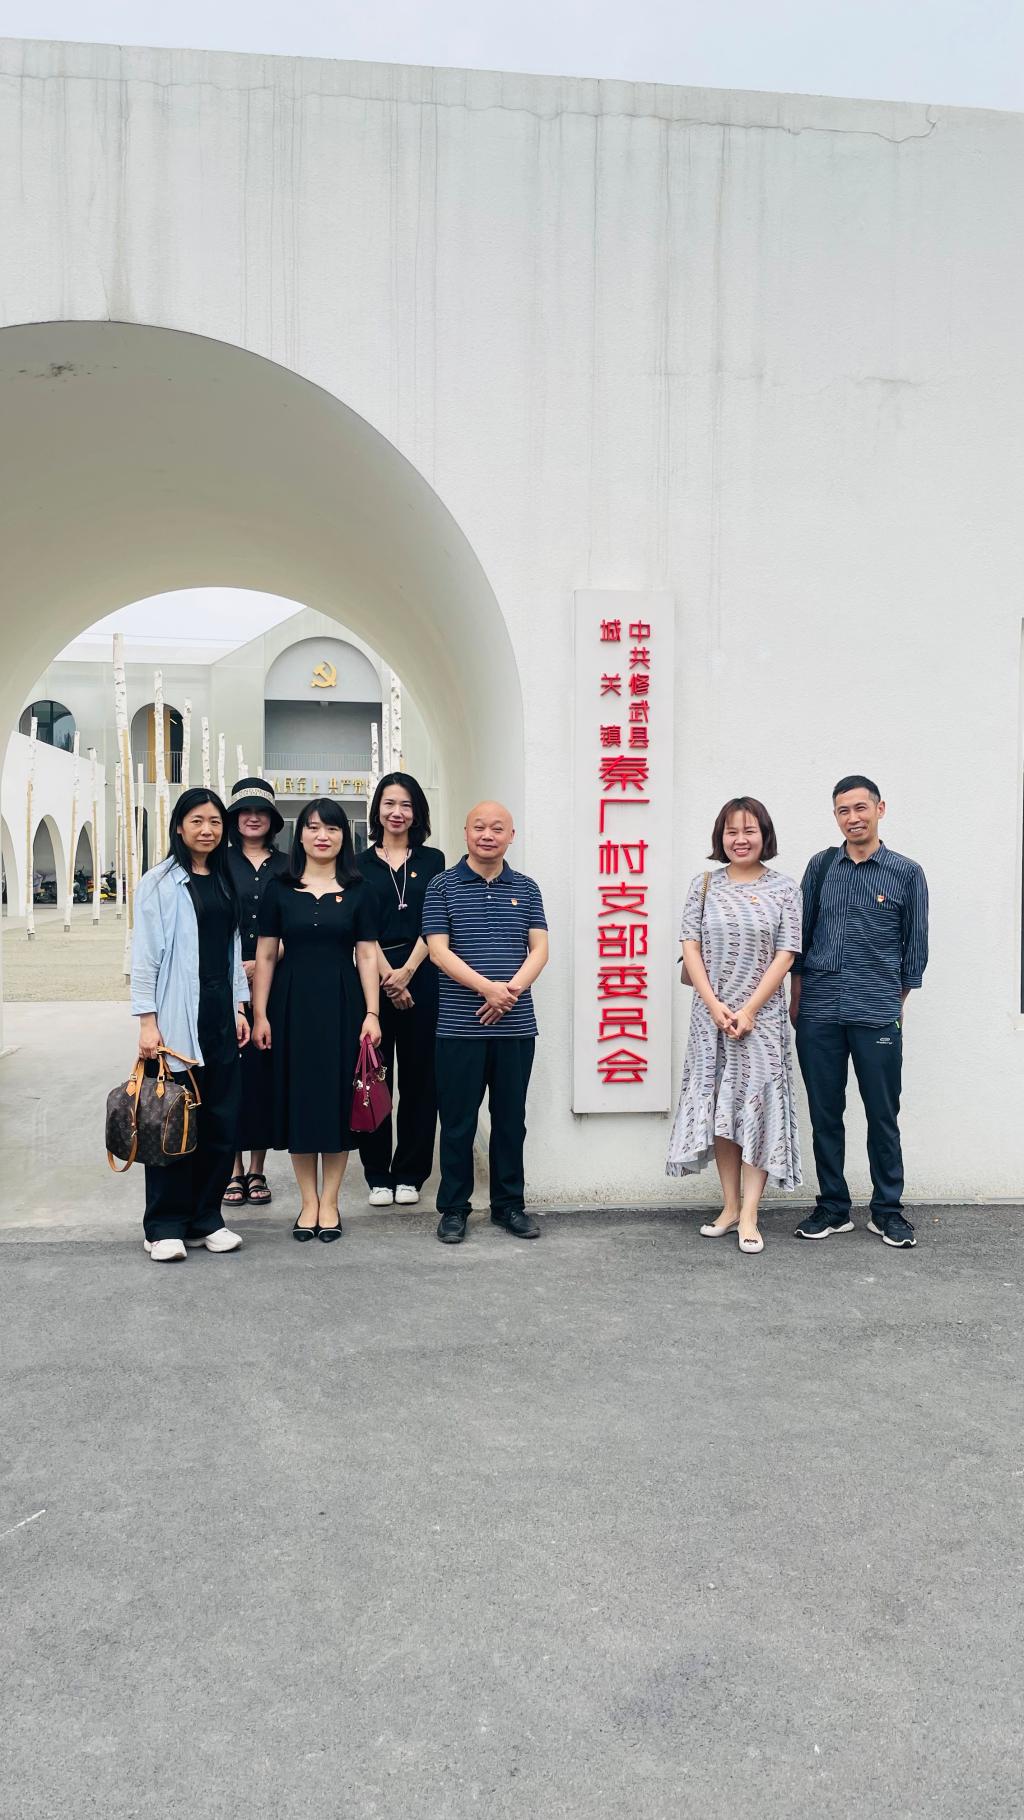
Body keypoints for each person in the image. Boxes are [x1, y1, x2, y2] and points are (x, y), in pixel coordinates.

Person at [791, 776, 929, 1249]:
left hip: (876, 1014)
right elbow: (800, 938)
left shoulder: (906, 873)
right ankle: (833, 1207)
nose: (853, 818)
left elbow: (915, 952)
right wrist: (797, 998)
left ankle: (887, 1211)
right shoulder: (821, 867)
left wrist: (893, 1004)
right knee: (825, 1114)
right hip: (819, 1011)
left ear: (879, 809)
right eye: (843, 810)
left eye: (860, 808)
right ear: (836, 817)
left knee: (882, 1115)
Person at [667, 797, 802, 1253]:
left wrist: (748, 1010)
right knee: (722, 1109)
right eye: (731, 831)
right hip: (711, 1019)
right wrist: (715, 1005)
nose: (740, 839)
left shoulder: (785, 888)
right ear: (720, 837)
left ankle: (750, 1214)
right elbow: (690, 947)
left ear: (765, 835)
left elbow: (786, 953)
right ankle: (728, 1206)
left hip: (761, 1021)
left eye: (749, 831)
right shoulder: (703, 884)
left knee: (756, 1108)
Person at [251, 799, 381, 1242]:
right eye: (312, 827)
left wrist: (372, 1012)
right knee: (301, 1102)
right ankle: (308, 1202)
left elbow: (367, 954)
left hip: (343, 1006)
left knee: (337, 1104)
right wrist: (260, 1013)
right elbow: (266, 955)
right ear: (300, 835)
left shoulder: (360, 889)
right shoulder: (279, 888)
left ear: (345, 836)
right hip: (290, 1006)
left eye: (332, 828)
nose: (322, 836)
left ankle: (331, 1201)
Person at [130, 788, 250, 1263]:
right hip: (176, 1017)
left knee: (220, 1122)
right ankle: (163, 1226)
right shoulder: (159, 882)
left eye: (215, 822)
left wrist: (239, 1008)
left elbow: (232, 949)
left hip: (219, 1015)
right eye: (197, 820)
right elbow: (145, 957)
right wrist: (147, 1022)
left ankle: (205, 1219)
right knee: (171, 1121)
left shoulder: (223, 879)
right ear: (179, 826)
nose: (207, 830)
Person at [422, 801, 549, 1245]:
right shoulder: (442, 885)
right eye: (479, 827)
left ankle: (509, 1205)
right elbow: (438, 952)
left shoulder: (527, 888)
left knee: (511, 1121)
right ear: (466, 832)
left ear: (511, 836)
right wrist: (486, 989)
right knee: (457, 1122)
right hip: (459, 1027)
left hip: (515, 1027)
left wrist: (508, 992)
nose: (488, 835)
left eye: (498, 828)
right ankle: (454, 1209)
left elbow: (539, 949)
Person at [356, 772, 445, 1208]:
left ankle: (410, 1172)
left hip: (423, 973)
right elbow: (361, 928)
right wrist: (390, 977)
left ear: (417, 812)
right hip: (372, 977)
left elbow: (437, 919)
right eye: (389, 803)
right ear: (377, 810)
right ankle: (377, 1174)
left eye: (406, 804)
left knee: (419, 1080)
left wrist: (407, 971)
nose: (397, 812)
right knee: (373, 1076)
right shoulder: (357, 863)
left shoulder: (433, 860)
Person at [223, 777, 290, 1211]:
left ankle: (258, 1167)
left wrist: (264, 962)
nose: (252, 818)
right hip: (223, 982)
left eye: (260, 811)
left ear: (272, 820)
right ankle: (232, 1169)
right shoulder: (218, 860)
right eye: (244, 811)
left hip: (277, 980)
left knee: (263, 1073)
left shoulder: (288, 865)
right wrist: (237, 969)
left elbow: (299, 918)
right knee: (228, 1073)